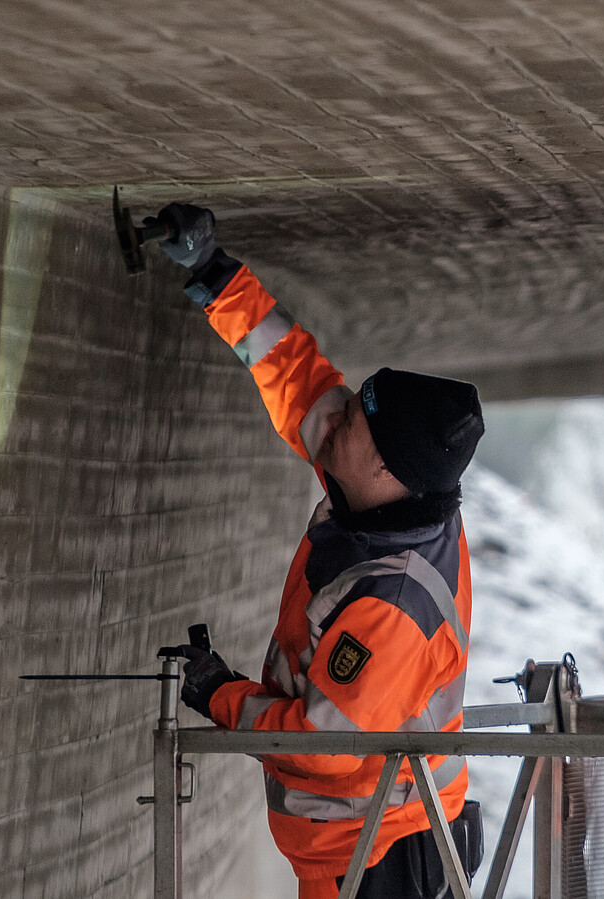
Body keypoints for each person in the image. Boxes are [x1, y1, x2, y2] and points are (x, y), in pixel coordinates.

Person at [154, 203, 485, 899]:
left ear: (389, 472)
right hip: (366, 844)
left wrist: (218, 694)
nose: (340, 420)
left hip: (378, 859)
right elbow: (300, 379)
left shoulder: (393, 601)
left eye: (361, 422)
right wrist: (215, 274)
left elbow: (323, 746)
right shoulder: (375, 491)